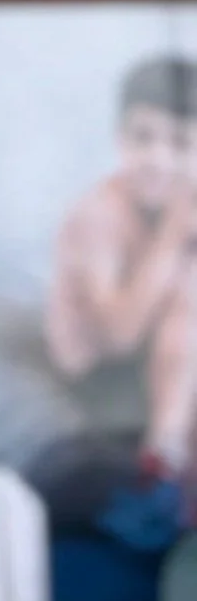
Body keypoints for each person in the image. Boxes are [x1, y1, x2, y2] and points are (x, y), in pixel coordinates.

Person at [46, 53, 197, 473]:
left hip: (159, 368)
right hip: (100, 376)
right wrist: (172, 235)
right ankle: (162, 460)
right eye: (143, 138)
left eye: (181, 143)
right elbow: (117, 336)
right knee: (190, 285)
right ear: (119, 139)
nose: (158, 158)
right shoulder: (100, 212)